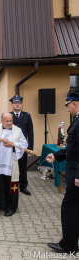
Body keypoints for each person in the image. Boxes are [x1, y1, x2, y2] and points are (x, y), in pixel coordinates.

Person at [46, 92, 79, 253]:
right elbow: (73, 148)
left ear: (75, 104)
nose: (67, 110)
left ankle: (69, 245)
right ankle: (71, 242)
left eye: (68, 106)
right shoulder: (77, 121)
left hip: (76, 175)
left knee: (69, 208)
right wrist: (56, 155)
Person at [0, 113, 28, 216]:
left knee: (9, 184)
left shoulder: (17, 130)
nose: (9, 123)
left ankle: (11, 207)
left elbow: (24, 144)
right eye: (7, 121)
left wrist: (13, 145)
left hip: (10, 162)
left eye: (11, 121)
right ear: (2, 121)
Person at [10, 95, 34, 196]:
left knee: (23, 167)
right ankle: (11, 185)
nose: (17, 104)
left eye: (19, 103)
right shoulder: (8, 116)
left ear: (22, 104)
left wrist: (30, 148)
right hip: (11, 146)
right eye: (15, 103)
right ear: (12, 105)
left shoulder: (27, 115)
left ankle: (23, 186)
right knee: (11, 167)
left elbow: (30, 132)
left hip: (23, 147)